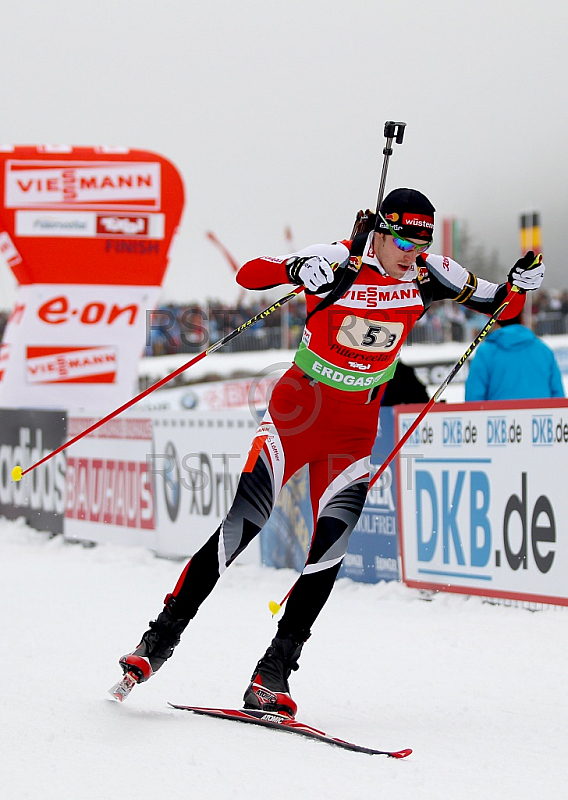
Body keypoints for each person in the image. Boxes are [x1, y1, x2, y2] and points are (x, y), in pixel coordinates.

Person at [119, 188, 545, 717]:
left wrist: (520, 284)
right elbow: (249, 273)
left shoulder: (432, 274)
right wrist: (299, 266)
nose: (413, 252)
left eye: (422, 241)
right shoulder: (340, 259)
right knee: (242, 526)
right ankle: (158, 641)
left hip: (352, 434)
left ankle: (272, 673)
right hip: (296, 418)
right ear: (382, 232)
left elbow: (503, 305)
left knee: (328, 553)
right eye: (404, 239)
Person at [465, 310, 564, 400]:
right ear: (522, 318)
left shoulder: (486, 352)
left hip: (499, 417)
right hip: (541, 418)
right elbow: (558, 397)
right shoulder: (543, 350)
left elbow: (474, 398)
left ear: (495, 320)